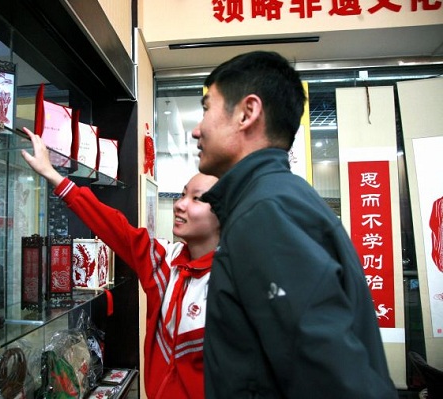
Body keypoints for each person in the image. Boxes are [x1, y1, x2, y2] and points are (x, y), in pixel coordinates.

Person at [192, 51, 398, 398]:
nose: (197, 129)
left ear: (247, 112)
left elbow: (332, 379)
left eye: (207, 107)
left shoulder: (265, 212)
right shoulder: (276, 197)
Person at [20, 127, 219, 399]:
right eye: (182, 194)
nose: (180, 205)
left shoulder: (230, 280)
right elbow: (115, 227)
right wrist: (54, 176)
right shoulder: (165, 261)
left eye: (196, 199)